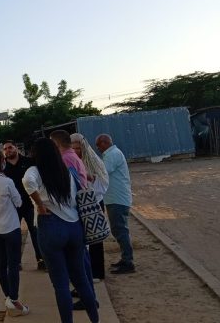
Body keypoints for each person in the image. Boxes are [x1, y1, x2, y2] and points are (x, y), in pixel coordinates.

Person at [22, 138, 99, 323]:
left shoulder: (35, 170)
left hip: (51, 227)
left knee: (61, 284)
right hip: (74, 228)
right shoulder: (66, 171)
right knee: (81, 279)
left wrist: (40, 204)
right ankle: (95, 320)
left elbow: (27, 182)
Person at [49, 130, 97, 311]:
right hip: (78, 211)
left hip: (75, 212)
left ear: (57, 143)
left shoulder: (66, 159)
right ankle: (86, 292)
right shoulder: (71, 156)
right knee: (81, 256)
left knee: (80, 259)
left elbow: (68, 188)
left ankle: (89, 297)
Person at [0, 148, 30, 316]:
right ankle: (14, 299)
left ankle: (7, 296)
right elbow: (18, 202)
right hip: (11, 228)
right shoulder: (7, 182)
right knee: (13, 265)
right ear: (3, 162)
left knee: (1, 265)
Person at [95, 134, 135, 274]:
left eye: (98, 145)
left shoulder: (112, 155)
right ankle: (126, 259)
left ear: (105, 143)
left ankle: (128, 261)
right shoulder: (112, 153)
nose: (98, 148)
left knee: (120, 230)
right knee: (119, 229)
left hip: (117, 198)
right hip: (115, 198)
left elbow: (102, 172)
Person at [2, 140, 45, 271]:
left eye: (10, 147)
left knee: (35, 231)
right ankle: (16, 261)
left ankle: (41, 259)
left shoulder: (28, 162)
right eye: (5, 149)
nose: (8, 150)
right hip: (12, 206)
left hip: (30, 203)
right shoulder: (2, 166)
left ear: (16, 148)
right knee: (14, 234)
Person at [71, 133, 109, 281]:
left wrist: (88, 179)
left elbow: (102, 182)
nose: (75, 151)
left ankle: (97, 273)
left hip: (94, 203)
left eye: (78, 148)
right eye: (72, 148)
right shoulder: (71, 161)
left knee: (96, 240)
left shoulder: (94, 162)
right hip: (79, 204)